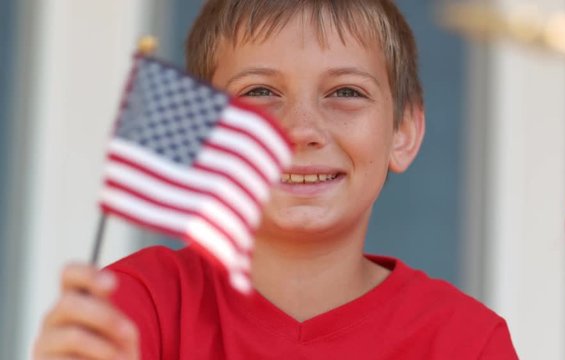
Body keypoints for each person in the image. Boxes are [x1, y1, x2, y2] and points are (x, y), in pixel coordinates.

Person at [33, 0, 518, 359]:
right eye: (260, 91)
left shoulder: (465, 341)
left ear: (404, 133)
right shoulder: (137, 309)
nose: (301, 130)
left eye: (345, 91)